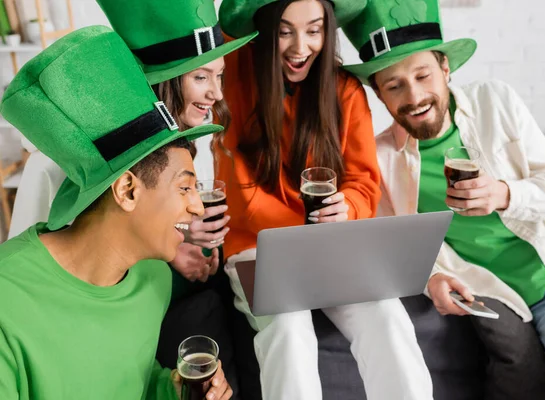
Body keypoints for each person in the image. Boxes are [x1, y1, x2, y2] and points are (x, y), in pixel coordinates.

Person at [343, 0, 545, 399]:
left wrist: (505, 194)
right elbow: (401, 247)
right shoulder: (380, 161)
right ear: (379, 95)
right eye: (394, 86)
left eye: (423, 75)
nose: (414, 96)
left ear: (446, 69)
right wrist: (432, 280)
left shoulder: (494, 101)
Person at [214, 1, 433, 399]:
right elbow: (241, 198)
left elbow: (364, 183)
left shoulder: (345, 90)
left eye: (314, 30)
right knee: (287, 326)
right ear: (264, 30)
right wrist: (305, 230)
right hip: (259, 247)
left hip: (332, 247)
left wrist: (346, 206)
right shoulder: (233, 78)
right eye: (284, 31)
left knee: (387, 315)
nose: (301, 46)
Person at [0, 26, 232, 399]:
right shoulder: (7, 305)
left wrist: (171, 389)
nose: (198, 205)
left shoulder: (153, 281)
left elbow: (132, 381)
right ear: (127, 190)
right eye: (185, 187)